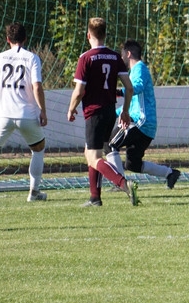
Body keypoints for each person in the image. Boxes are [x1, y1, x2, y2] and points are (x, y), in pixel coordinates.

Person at [67, 17, 138, 207]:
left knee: (94, 157)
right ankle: (95, 197)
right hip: (109, 112)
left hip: (94, 112)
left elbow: (79, 91)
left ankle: (124, 184)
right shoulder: (115, 57)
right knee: (92, 152)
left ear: (88, 35)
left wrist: (71, 108)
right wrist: (124, 111)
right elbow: (129, 88)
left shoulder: (86, 58)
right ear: (105, 35)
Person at [0, 22, 48, 205]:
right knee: (38, 149)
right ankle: (34, 191)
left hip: (4, 115)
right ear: (25, 38)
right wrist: (43, 110)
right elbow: (37, 86)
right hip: (27, 114)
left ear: (7, 39)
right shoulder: (32, 58)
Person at [106, 40, 181, 189]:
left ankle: (120, 183)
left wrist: (118, 92)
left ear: (128, 54)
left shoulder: (139, 68)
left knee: (109, 144)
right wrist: (112, 113)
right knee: (132, 164)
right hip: (147, 127)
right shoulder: (135, 72)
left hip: (141, 121)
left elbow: (135, 88)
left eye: (122, 56)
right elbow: (132, 103)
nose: (121, 60)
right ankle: (170, 173)